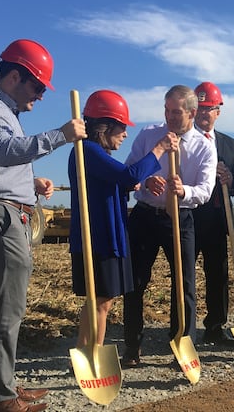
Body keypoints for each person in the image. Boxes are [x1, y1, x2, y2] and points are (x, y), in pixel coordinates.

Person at [0, 39, 86, 412]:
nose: (41, 96)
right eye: (38, 87)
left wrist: (31, 185)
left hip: (1, 210)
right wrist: (61, 135)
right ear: (15, 76)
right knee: (6, 309)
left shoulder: (3, 112)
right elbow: (2, 150)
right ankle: (0, 400)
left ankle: (6, 386)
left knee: (10, 306)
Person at [68, 90, 178, 352]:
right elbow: (129, 176)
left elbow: (118, 182)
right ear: (104, 126)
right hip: (97, 238)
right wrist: (160, 148)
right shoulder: (88, 151)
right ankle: (91, 354)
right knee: (101, 301)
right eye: (121, 127)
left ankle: (88, 352)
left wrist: (140, 181)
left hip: (105, 236)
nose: (125, 134)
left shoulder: (96, 154)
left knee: (100, 301)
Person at [121, 85, 217, 368]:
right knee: (135, 282)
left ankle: (182, 345)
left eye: (176, 112)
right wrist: (145, 180)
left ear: (192, 112)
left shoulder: (204, 146)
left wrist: (184, 191)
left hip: (180, 218)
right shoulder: (149, 134)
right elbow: (129, 172)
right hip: (144, 215)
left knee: (184, 282)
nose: (170, 117)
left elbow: (205, 190)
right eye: (166, 110)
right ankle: (131, 347)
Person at [191, 82, 234, 345]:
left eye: (209, 109)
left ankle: (216, 326)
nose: (204, 114)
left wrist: (229, 180)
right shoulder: (183, 139)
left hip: (217, 218)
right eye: (200, 109)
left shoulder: (230, 144)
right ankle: (184, 329)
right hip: (189, 217)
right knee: (186, 275)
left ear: (218, 111)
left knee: (218, 275)